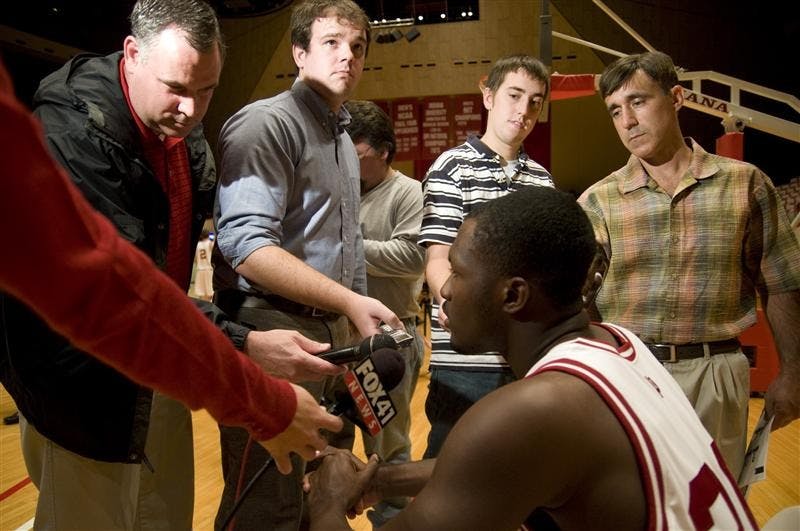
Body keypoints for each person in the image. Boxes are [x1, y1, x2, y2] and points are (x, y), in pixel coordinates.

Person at [0, 1, 343, 528]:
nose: (191, 108)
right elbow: (119, 295)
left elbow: (158, 290)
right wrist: (248, 360)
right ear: (132, 53)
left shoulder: (178, 129)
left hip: (159, 355)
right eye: (177, 88)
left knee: (166, 518)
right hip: (81, 382)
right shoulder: (71, 134)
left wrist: (235, 342)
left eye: (206, 90)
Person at [306, 186, 758, 530]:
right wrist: (381, 480)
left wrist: (327, 501)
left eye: (459, 273)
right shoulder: (617, 342)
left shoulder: (535, 411)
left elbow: (502, 450)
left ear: (513, 295)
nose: (443, 289)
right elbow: (492, 467)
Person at [211, 1, 401, 528]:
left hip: (324, 326)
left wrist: (357, 319)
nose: (348, 56)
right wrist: (349, 301)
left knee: (307, 493)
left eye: (358, 47)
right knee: (264, 496)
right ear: (299, 51)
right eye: (332, 43)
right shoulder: (267, 123)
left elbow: (350, 243)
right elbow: (247, 248)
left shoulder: (341, 134)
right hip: (269, 324)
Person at [577, 51, 800, 479]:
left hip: (714, 371)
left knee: (713, 511)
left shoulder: (744, 182)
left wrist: (793, 371)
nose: (627, 121)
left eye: (638, 102)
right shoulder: (597, 201)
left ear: (676, 98)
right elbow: (577, 298)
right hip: (630, 372)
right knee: (632, 507)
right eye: (615, 111)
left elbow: (782, 280)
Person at [419, 54, 554, 458]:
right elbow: (437, 259)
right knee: (448, 479)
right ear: (488, 95)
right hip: (465, 362)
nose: (524, 110)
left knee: (518, 483)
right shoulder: (451, 167)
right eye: (514, 95)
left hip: (524, 357)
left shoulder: (542, 181)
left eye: (534, 101)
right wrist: (450, 303)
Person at [344, 99, 425, 527]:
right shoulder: (339, 190)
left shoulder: (408, 192)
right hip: (339, 341)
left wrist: (346, 245)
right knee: (329, 438)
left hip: (387, 344)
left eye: (355, 156)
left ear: (385, 151)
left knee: (387, 448)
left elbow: (413, 257)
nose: (348, 164)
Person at [194, 228, 215, 301]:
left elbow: (196, 260)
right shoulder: (209, 242)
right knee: (210, 294)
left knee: (202, 295)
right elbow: (212, 239)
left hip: (200, 270)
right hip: (208, 270)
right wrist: (211, 232)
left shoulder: (198, 245)